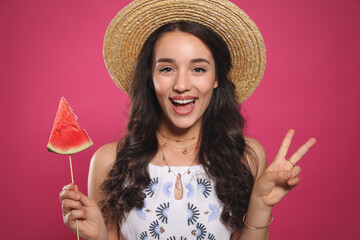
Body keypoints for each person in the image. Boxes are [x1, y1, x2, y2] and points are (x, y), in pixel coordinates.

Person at [59, 0, 316, 239]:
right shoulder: (109, 160)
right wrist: (97, 236)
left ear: (216, 78)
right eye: (167, 69)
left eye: (199, 69)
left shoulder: (246, 156)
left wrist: (260, 203)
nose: (182, 85)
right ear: (150, 78)